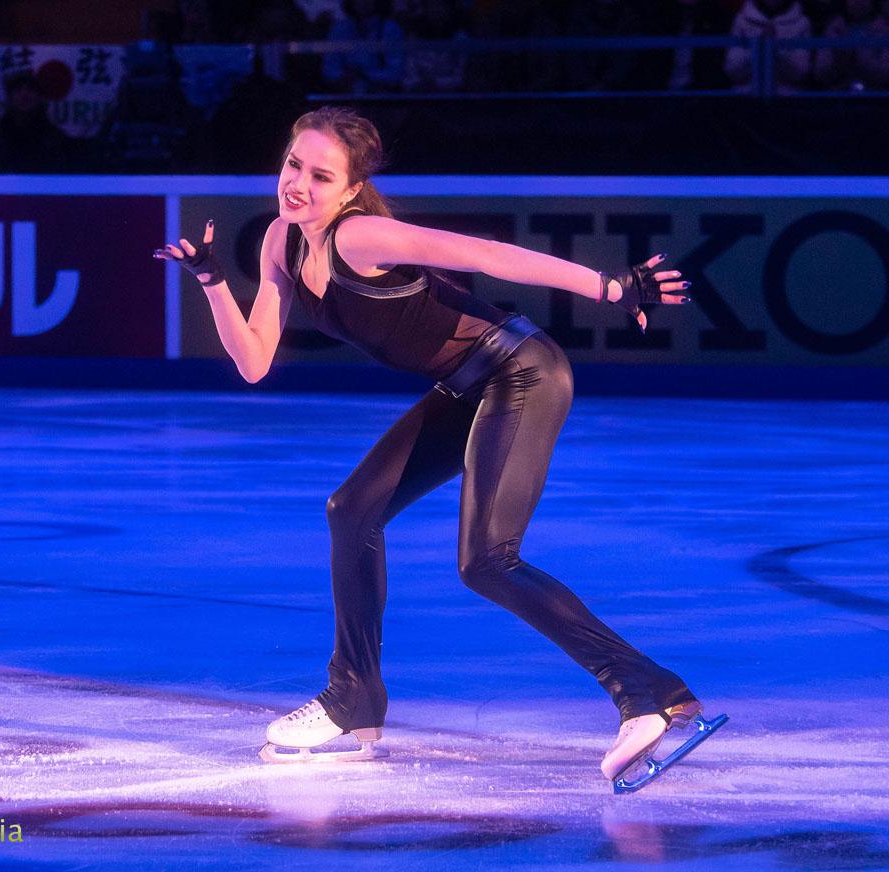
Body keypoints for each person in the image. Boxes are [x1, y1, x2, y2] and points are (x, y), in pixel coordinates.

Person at [155, 107, 725, 789]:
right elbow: (253, 361)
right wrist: (215, 281)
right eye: (293, 165)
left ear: (350, 188)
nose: (298, 184)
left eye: (320, 175)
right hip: (464, 386)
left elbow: (487, 255)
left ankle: (648, 693)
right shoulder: (281, 239)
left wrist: (607, 286)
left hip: (522, 372)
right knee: (352, 509)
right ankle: (353, 701)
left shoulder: (361, 235)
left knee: (486, 561)